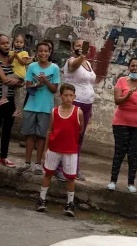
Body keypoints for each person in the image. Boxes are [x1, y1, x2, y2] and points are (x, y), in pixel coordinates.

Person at [35, 83, 84, 217]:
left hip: (70, 150)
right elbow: (49, 131)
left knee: (70, 178)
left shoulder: (78, 112)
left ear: (74, 96)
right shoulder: (55, 112)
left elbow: (80, 130)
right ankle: (41, 199)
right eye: (66, 95)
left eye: (71, 95)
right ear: (60, 96)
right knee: (48, 174)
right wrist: (45, 149)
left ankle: (70, 203)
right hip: (54, 149)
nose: (68, 98)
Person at [108, 58, 137, 193]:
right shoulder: (121, 81)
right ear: (128, 68)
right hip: (121, 122)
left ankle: (131, 183)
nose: (135, 68)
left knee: (134, 154)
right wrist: (127, 95)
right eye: (132, 66)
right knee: (119, 151)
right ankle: (112, 181)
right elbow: (117, 101)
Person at [54, 39, 96, 181]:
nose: (80, 47)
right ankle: (59, 169)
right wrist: (82, 56)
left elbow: (89, 83)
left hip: (87, 104)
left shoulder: (88, 64)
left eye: (83, 46)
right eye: (77, 45)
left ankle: (74, 168)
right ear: (73, 48)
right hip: (74, 103)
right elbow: (73, 67)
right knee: (68, 136)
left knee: (79, 138)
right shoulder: (72, 61)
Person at [16, 42, 60, 175]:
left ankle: (38, 164)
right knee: (29, 136)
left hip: (46, 108)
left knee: (41, 137)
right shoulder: (31, 67)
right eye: (40, 51)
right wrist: (37, 84)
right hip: (31, 106)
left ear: (49, 52)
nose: (43, 54)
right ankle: (27, 163)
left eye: (46, 51)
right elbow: (28, 86)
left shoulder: (54, 68)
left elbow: (54, 89)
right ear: (36, 52)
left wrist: (45, 81)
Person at [0, 34, 23, 168]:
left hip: (11, 99)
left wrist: (17, 81)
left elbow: (21, 82)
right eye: (3, 43)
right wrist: (16, 81)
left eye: (8, 43)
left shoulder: (11, 59)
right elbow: (4, 79)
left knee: (7, 129)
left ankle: (3, 157)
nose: (7, 45)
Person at [0, 34, 30, 116]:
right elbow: (9, 61)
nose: (19, 44)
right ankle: (17, 110)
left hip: (19, 74)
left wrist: (17, 56)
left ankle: (4, 97)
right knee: (17, 93)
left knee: (5, 80)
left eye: (21, 42)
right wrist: (13, 55)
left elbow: (24, 63)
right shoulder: (11, 52)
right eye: (17, 42)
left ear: (23, 44)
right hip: (14, 73)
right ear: (13, 42)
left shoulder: (24, 52)